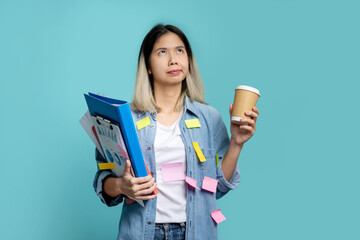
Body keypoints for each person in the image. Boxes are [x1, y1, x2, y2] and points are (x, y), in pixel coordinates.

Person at [93, 24, 260, 240]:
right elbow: (103, 181)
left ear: (188, 60)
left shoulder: (208, 118)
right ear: (148, 66)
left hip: (195, 233)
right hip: (141, 233)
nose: (173, 60)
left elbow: (218, 187)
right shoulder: (126, 120)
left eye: (180, 50)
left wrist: (237, 143)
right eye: (162, 52)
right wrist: (121, 186)